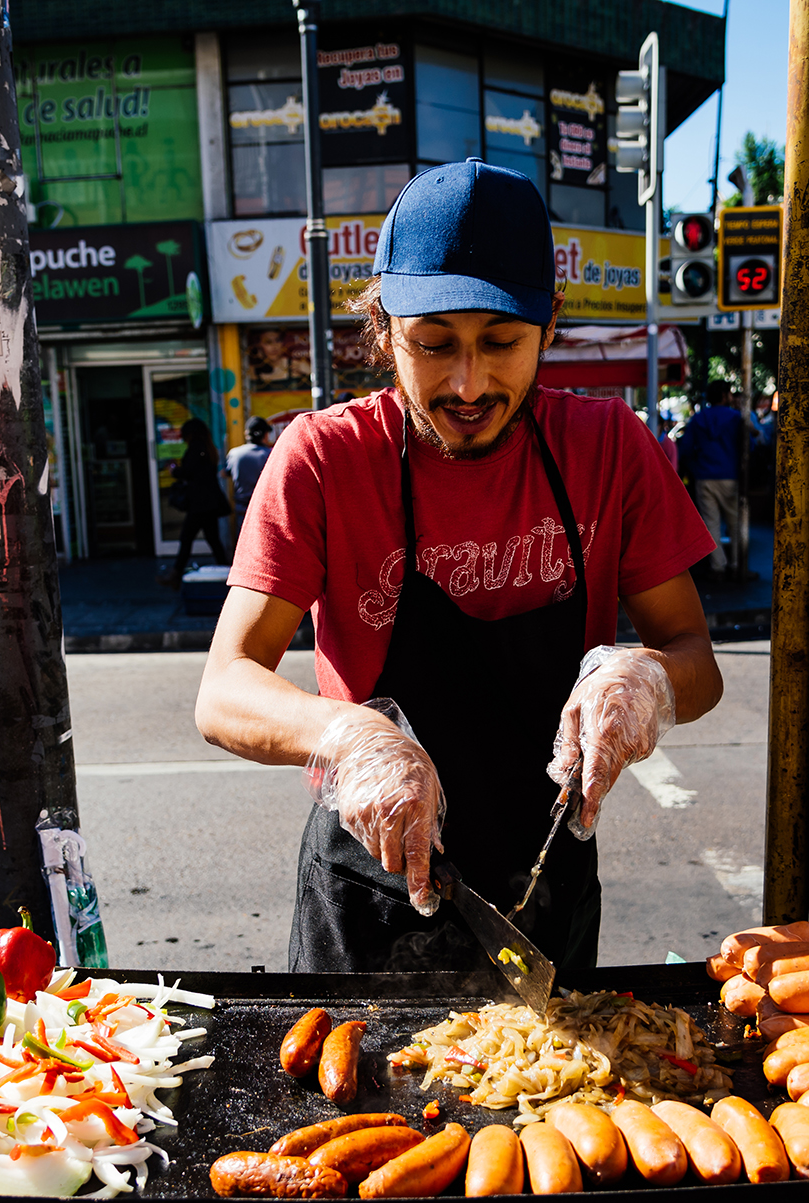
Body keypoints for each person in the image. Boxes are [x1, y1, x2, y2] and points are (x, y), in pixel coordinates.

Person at [196, 158, 721, 974]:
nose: (468, 383)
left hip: (547, 883)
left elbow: (698, 659)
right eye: (433, 345)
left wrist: (647, 675)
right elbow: (224, 687)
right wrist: (347, 733)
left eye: (502, 343)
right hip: (369, 898)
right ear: (383, 334)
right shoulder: (324, 459)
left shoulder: (610, 448)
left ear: (549, 328)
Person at [682, 383, 748, 578]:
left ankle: (718, 566)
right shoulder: (736, 418)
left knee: (711, 524)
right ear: (724, 395)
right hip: (731, 475)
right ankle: (736, 564)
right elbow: (748, 446)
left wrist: (695, 469)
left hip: (705, 476)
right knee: (735, 522)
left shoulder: (699, 418)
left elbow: (686, 448)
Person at [162, 418, 230, 587]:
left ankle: (175, 576)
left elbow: (188, 472)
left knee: (187, 538)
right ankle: (227, 573)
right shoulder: (207, 448)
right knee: (212, 539)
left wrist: (173, 470)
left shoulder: (196, 449)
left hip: (200, 504)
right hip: (208, 502)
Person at [226, 416, 274, 530]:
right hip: (265, 510)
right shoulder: (271, 455)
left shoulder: (235, 454)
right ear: (265, 434)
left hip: (242, 509)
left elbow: (226, 473)